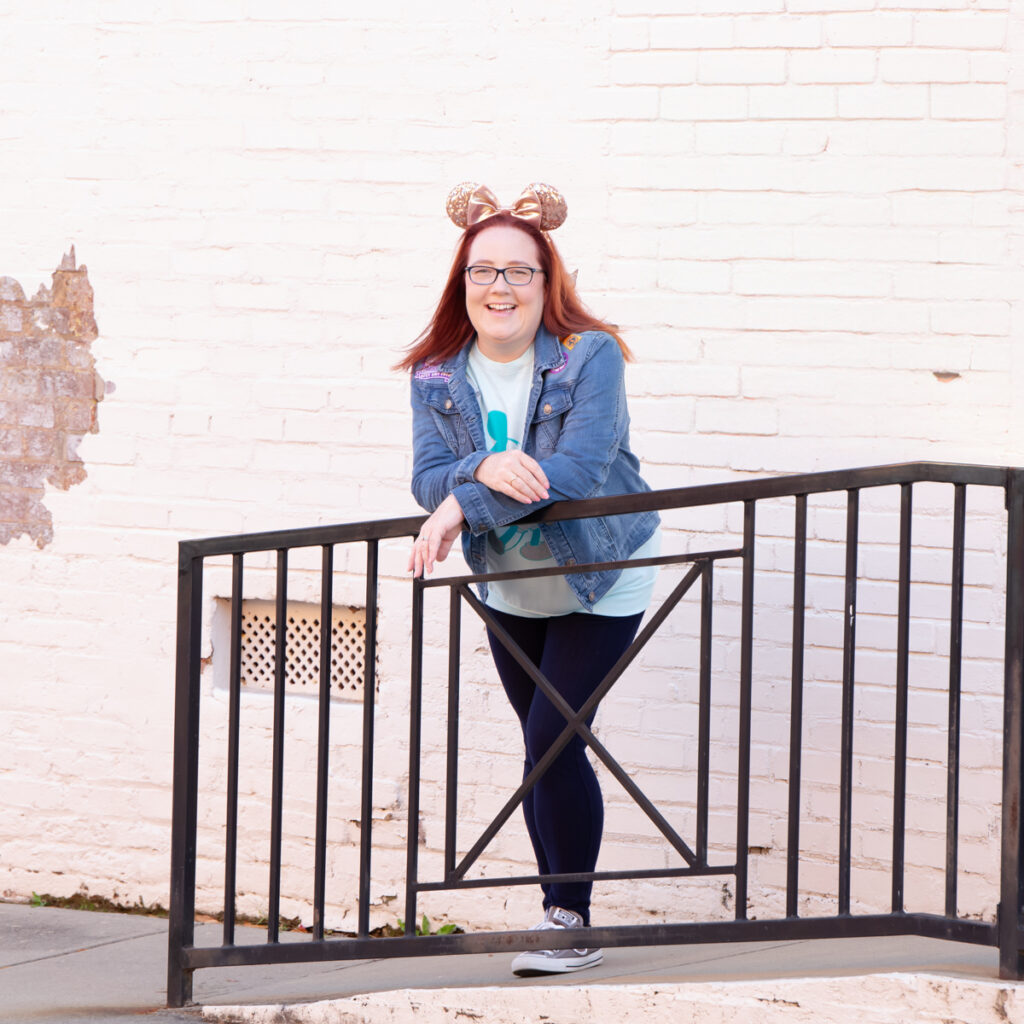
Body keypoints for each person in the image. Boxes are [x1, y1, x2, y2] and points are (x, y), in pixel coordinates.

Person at [399, 182, 660, 977]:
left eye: (520, 272)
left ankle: (568, 920)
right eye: (484, 272)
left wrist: (456, 507)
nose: (500, 287)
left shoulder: (591, 356)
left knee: (554, 741)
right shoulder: (438, 373)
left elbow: (577, 471)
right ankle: (561, 909)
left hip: (597, 575)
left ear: (547, 284)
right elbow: (426, 474)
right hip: (509, 585)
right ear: (462, 283)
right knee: (541, 747)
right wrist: (476, 468)